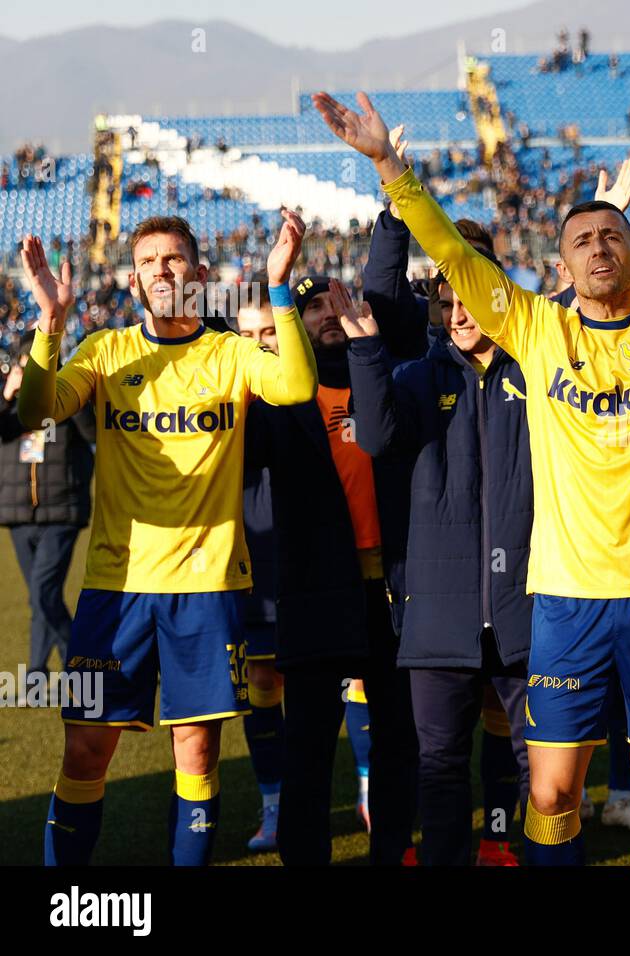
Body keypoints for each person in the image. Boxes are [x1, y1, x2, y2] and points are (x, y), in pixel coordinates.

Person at [312, 34, 630, 865]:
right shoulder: (537, 331)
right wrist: (390, 174)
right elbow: (449, 252)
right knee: (549, 793)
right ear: (560, 263)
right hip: (565, 603)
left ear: (629, 253)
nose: (597, 246)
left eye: (609, 235)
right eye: (581, 239)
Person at [20, 212, 318, 866]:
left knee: (197, 752)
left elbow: (296, 385)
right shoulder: (104, 351)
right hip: (114, 591)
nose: (163, 269)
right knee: (84, 750)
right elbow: (35, 410)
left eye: (175, 259)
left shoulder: (229, 353)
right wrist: (49, 323)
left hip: (208, 591)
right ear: (132, 280)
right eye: (150, 260)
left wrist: (277, 285)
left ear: (201, 276)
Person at [345, 231, 534, 866]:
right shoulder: (415, 376)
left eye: (469, 298)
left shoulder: (539, 369)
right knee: (442, 772)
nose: (457, 313)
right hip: (437, 618)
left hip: (530, 608)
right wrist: (367, 351)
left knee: (545, 769)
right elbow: (373, 437)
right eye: (445, 300)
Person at [244, 276, 419, 866]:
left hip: (393, 591)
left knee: (399, 741)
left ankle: (392, 853)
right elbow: (241, 466)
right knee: (310, 749)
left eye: (334, 301)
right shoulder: (280, 399)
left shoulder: (389, 377)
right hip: (315, 590)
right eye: (311, 305)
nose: (325, 314)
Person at [0, 330, 94, 676]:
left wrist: (68, 394)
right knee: (40, 598)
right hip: (19, 513)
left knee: (43, 592)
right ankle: (38, 674)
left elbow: (93, 434)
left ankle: (79, 666)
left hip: (61, 511)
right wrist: (7, 396)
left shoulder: (67, 397)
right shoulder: (10, 405)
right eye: (27, 363)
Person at [232, 286, 286, 851]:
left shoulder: (310, 386)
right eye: (245, 336)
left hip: (319, 566)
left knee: (349, 685)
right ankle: (273, 804)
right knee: (263, 685)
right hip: (250, 569)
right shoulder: (225, 398)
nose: (257, 345)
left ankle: (368, 795)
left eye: (267, 333)